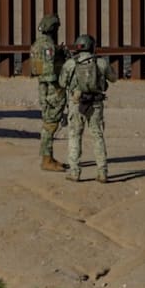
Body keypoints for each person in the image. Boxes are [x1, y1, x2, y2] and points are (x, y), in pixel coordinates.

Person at [57, 34, 118, 183]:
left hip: (76, 104)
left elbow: (62, 83)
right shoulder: (101, 62)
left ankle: (75, 172)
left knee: (74, 136)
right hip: (95, 104)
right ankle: (102, 172)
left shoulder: (71, 63)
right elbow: (114, 78)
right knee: (97, 136)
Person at [30, 13, 67, 172]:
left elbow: (37, 68)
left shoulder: (37, 44)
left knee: (48, 121)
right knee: (51, 123)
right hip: (52, 87)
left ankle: (48, 157)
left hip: (42, 86)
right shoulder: (49, 46)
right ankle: (46, 159)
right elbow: (50, 71)